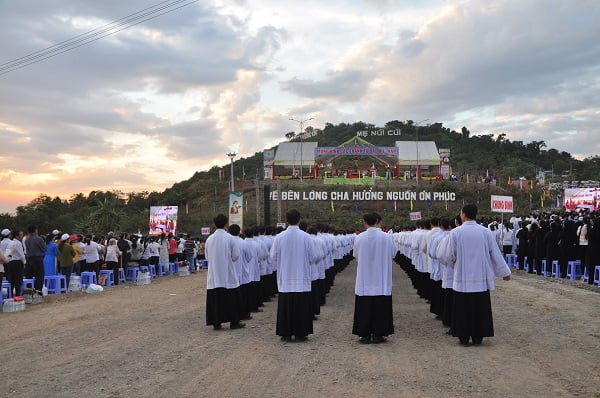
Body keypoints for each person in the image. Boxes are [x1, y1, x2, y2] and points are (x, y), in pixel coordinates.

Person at [439, 204, 511, 346]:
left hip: (462, 279)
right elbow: (495, 254)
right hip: (481, 279)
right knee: (479, 308)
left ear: (463, 214)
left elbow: (448, 256)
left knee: (462, 309)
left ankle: (463, 337)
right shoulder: (485, 232)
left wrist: (456, 265)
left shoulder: (456, 233)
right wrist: (505, 272)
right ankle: (478, 336)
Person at [269, 209, 316, 342]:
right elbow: (313, 257)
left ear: (286, 220)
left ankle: (286, 333)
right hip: (302, 277)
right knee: (302, 306)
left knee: (286, 306)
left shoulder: (279, 237)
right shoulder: (306, 237)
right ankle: (301, 333)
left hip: (286, 277)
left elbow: (273, 256)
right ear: (299, 219)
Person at [352, 212, 396, 344]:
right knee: (380, 306)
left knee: (364, 306)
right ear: (377, 221)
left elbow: (355, 254)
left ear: (364, 222)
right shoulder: (386, 237)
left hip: (365, 278)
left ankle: (364, 334)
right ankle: (378, 334)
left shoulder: (359, 238)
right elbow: (393, 253)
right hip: (381, 278)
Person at [205, 214, 245, 330]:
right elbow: (236, 256)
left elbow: (207, 257)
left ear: (214, 224)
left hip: (214, 275)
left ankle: (216, 322)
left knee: (216, 299)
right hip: (228, 274)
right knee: (231, 299)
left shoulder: (209, 239)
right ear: (226, 223)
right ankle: (234, 322)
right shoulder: (230, 238)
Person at [24, 225, 47, 294]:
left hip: (29, 258)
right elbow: (44, 249)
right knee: (39, 276)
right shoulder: (39, 239)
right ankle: (38, 292)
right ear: (35, 230)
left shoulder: (26, 240)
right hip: (37, 258)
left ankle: (29, 292)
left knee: (29, 276)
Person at [5, 230, 26, 296]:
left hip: (10, 262)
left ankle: (10, 295)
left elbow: (7, 253)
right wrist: (24, 262)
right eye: (20, 235)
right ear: (16, 236)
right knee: (18, 280)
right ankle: (17, 295)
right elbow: (22, 254)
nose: (22, 237)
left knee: (11, 280)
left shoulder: (10, 243)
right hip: (17, 262)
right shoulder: (18, 243)